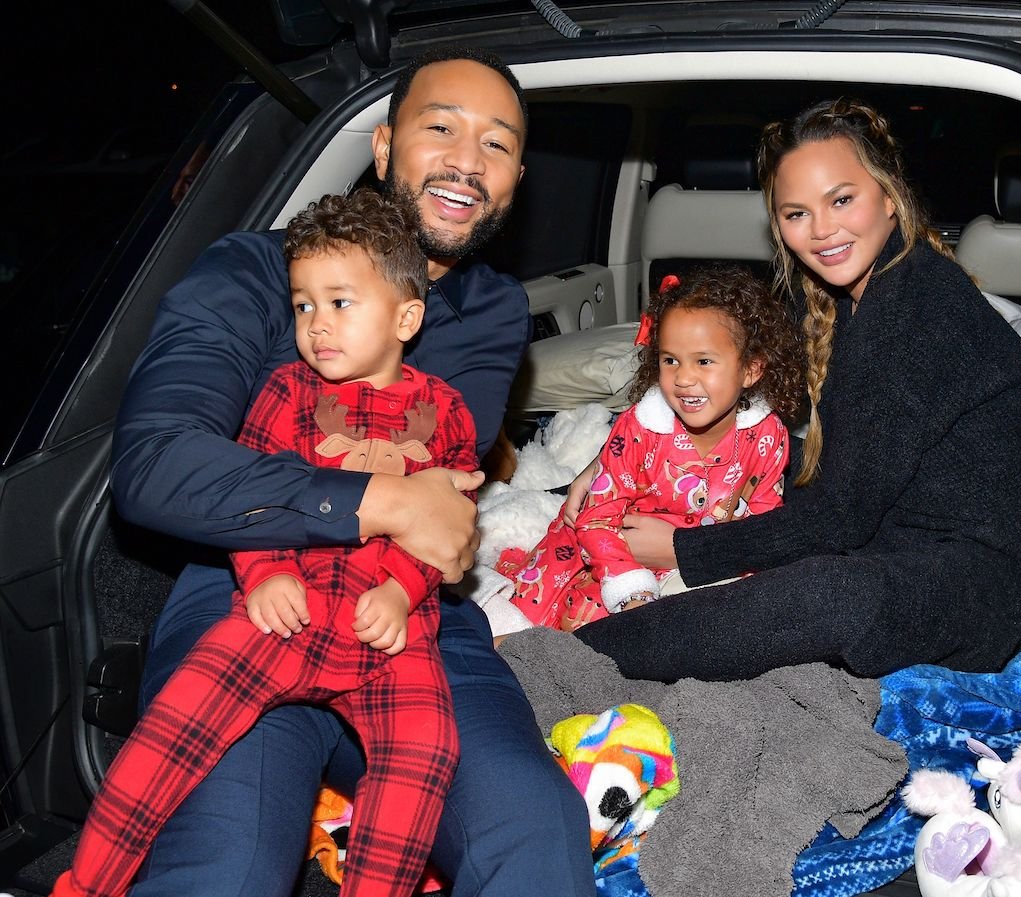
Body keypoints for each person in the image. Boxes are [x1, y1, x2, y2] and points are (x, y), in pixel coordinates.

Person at [108, 48, 594, 897]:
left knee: (537, 837)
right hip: (254, 599)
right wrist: (377, 497)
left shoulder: (490, 310)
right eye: (440, 128)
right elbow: (155, 462)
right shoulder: (252, 274)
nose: (467, 163)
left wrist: (406, 515)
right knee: (227, 866)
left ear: (516, 178)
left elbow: (445, 510)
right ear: (382, 147)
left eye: (497, 145)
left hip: (410, 619)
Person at [575, 98, 1021, 682]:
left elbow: (842, 516)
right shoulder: (848, 293)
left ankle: (567, 661)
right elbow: (795, 443)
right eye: (796, 213)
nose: (822, 231)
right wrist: (615, 464)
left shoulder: (919, 310)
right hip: (924, 523)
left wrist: (683, 551)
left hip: (1012, 586)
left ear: (889, 197)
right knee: (767, 470)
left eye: (841, 199)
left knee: (832, 595)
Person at [55, 190, 473, 897]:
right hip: (287, 612)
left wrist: (403, 589)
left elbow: (444, 525)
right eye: (304, 306)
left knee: (426, 749)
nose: (317, 326)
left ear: (406, 316)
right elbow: (253, 491)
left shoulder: (444, 412)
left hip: (387, 629)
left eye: (340, 303)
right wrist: (263, 574)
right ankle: (86, 882)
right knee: (172, 726)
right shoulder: (284, 393)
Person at [499, 266, 803, 631]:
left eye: (704, 361)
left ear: (751, 370)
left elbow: (764, 519)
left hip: (699, 557)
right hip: (610, 550)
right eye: (670, 360)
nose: (684, 378)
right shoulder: (639, 430)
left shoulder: (767, 436)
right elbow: (596, 519)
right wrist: (630, 588)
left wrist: (745, 574)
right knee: (558, 623)